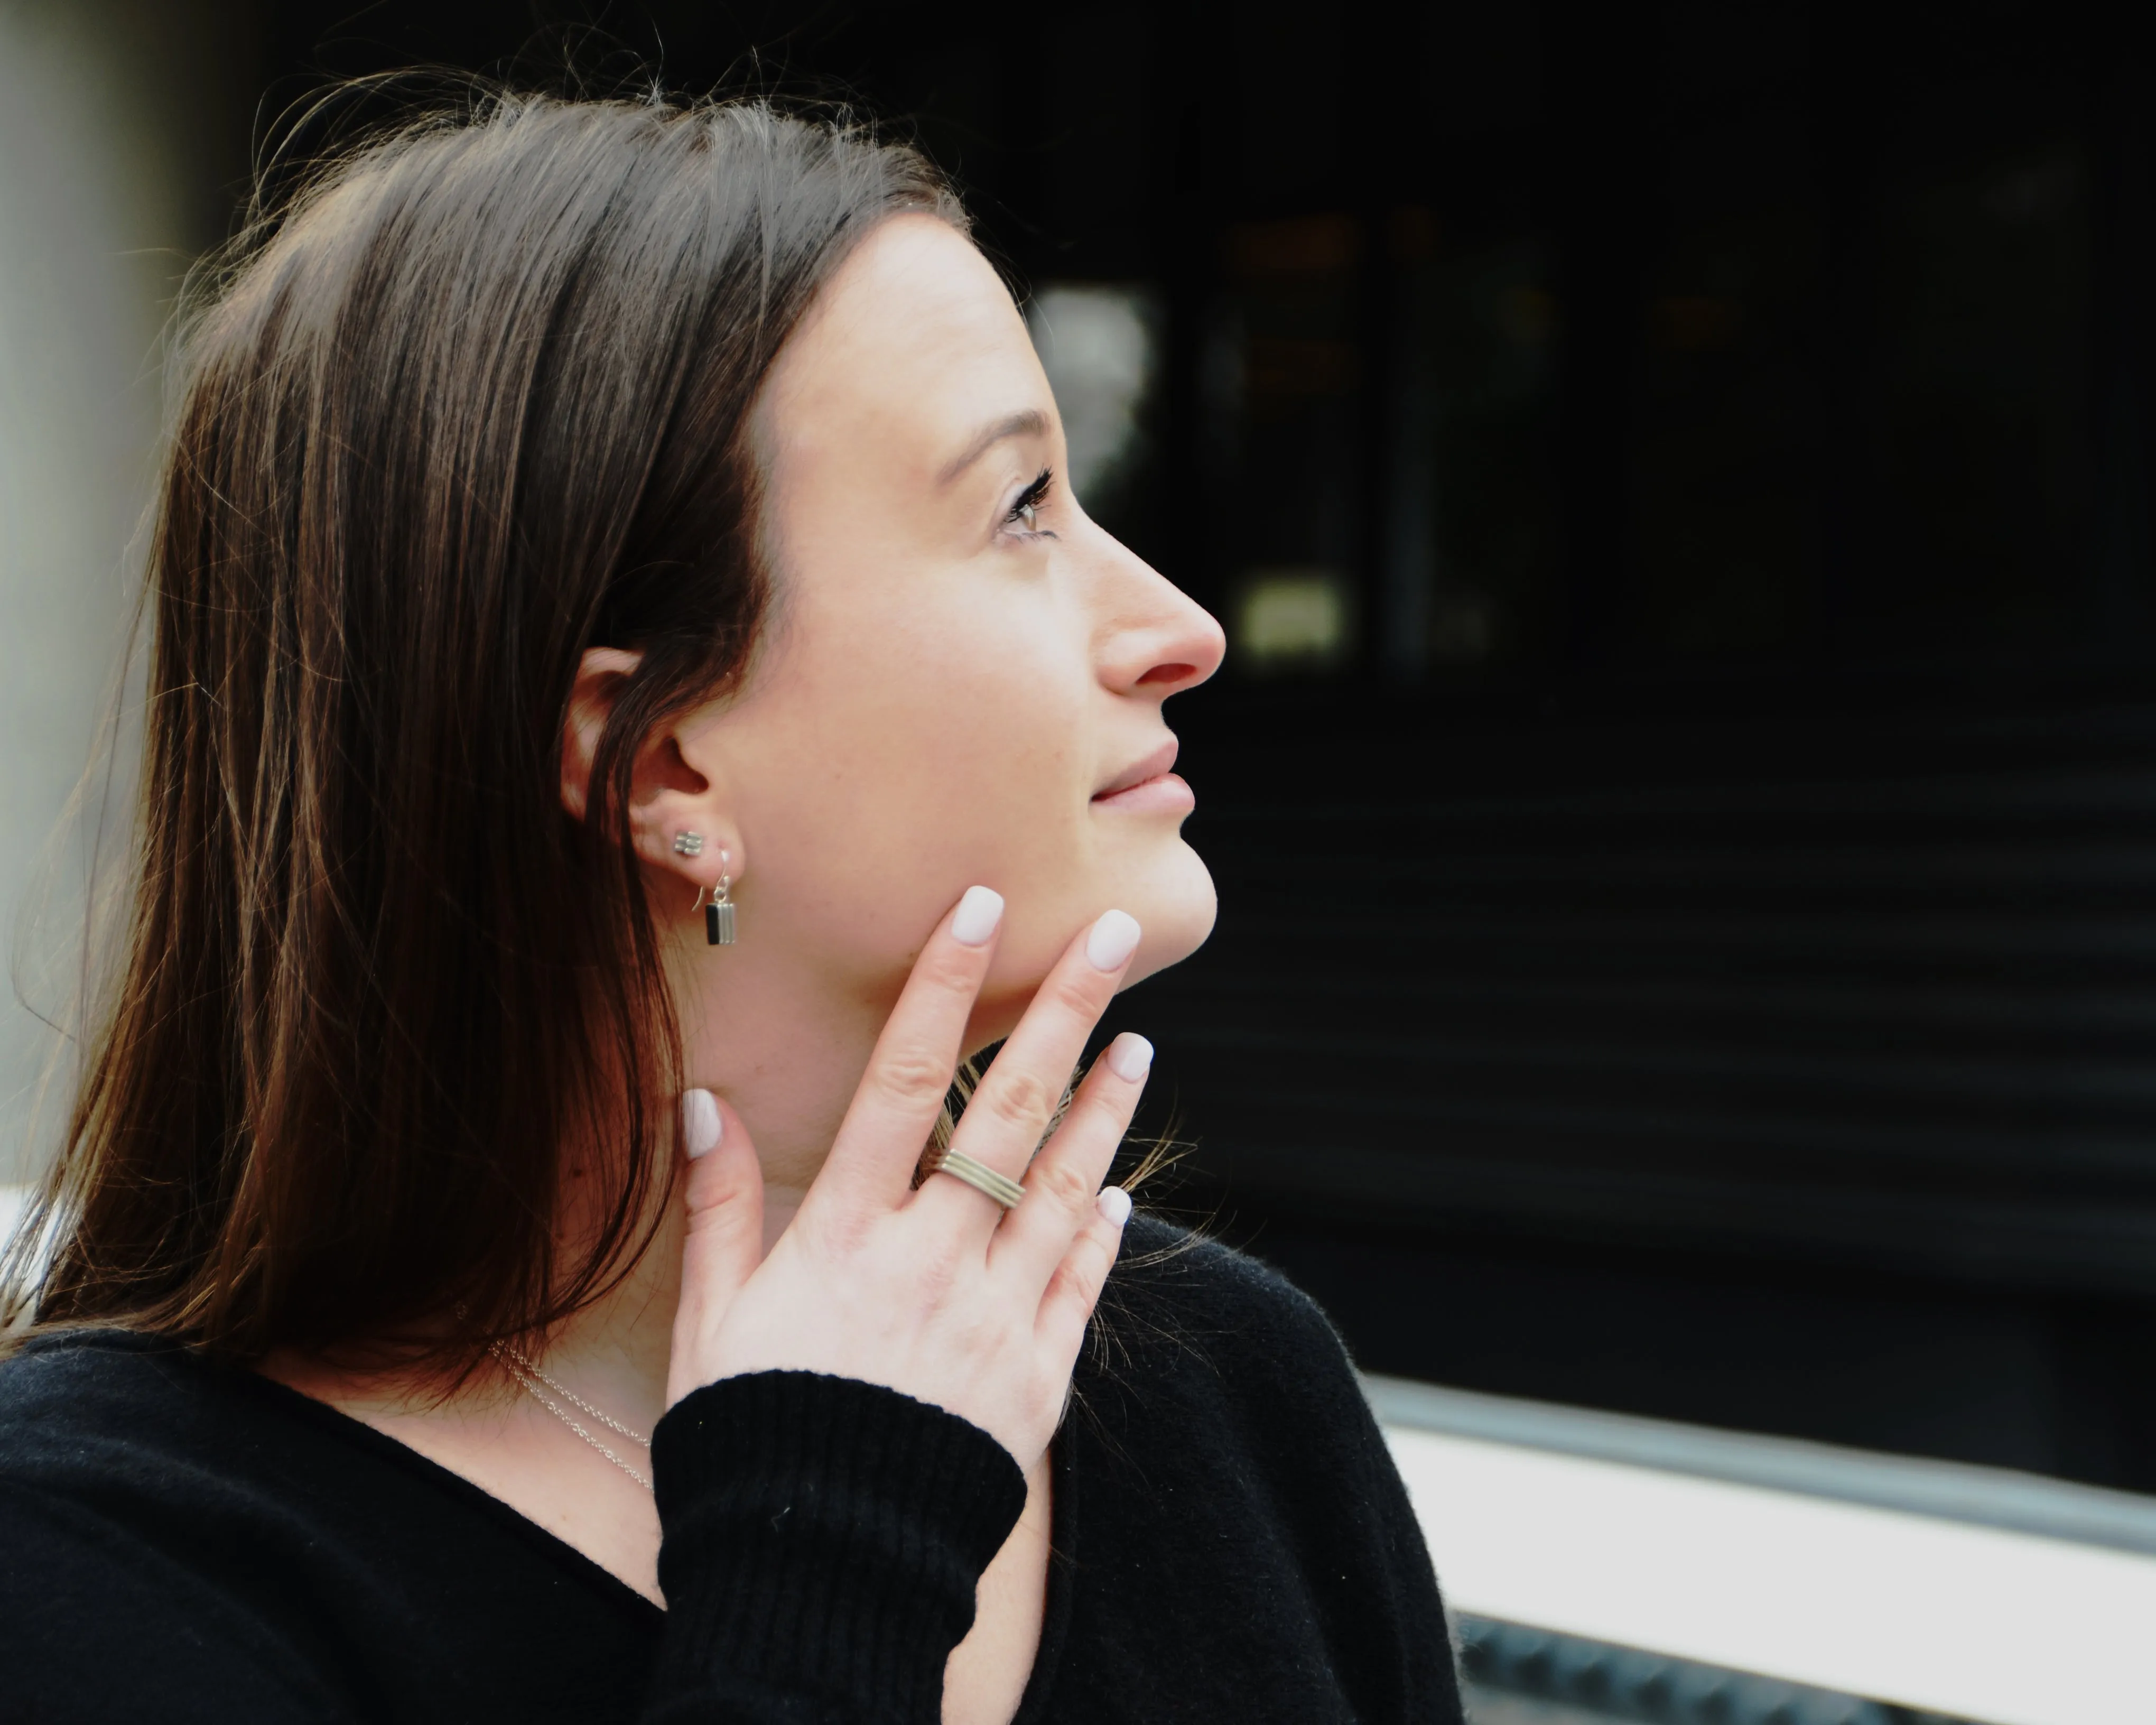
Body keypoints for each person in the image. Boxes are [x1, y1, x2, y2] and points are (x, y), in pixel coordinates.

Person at [0, 91, 1464, 1724]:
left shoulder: (1222, 1386)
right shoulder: (100, 1563)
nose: (1182, 627)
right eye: (1022, 510)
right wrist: (828, 1543)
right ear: (662, 759)